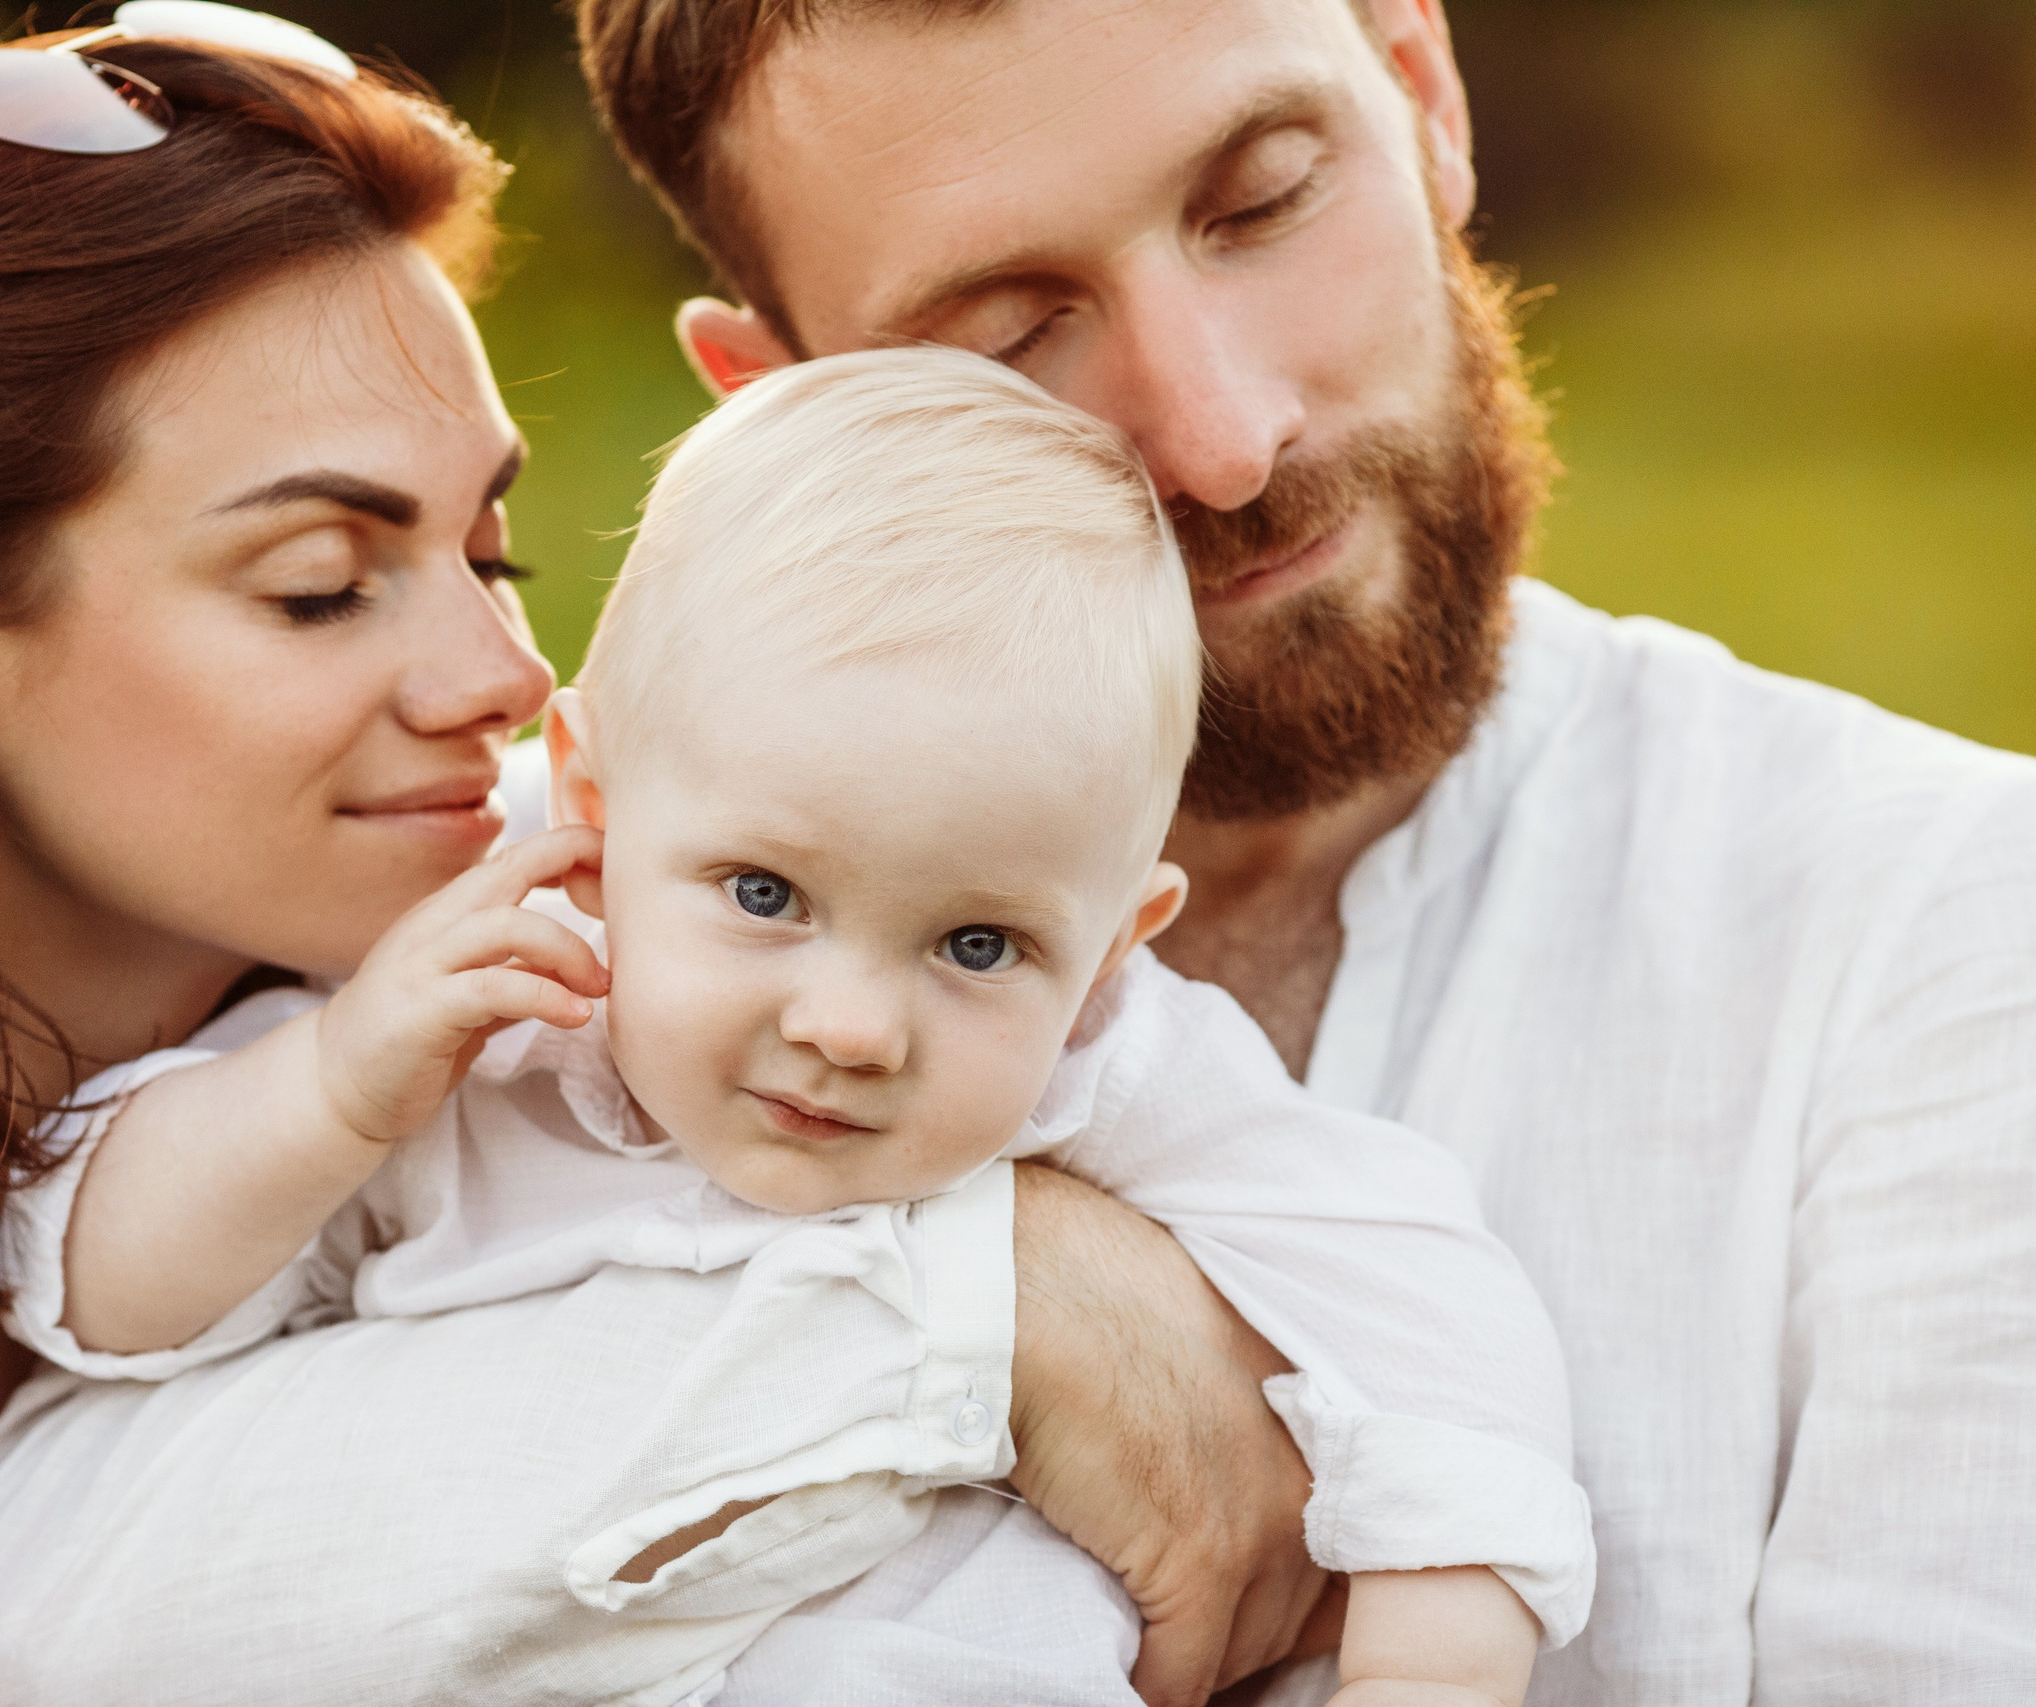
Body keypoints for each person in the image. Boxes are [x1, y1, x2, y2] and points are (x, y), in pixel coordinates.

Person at [0, 10, 1358, 1703]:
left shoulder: (564, 1078)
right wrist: (969, 1316)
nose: (505, 675)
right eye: (319, 586)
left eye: (491, 553)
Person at [569, 0, 2036, 1701]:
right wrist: (980, 1304)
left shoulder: (1952, 932)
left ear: (1422, 91)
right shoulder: (491, 924)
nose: (1222, 435)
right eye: (1013, 330)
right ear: (786, 410)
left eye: (1263, 201)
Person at [0, 348, 1592, 1707]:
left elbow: (1419, 1287)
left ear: (1109, 954)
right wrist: (336, 1089)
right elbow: (94, 1288)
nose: (855, 1024)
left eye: (978, 942)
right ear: (590, 803)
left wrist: (1437, 1659)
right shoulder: (487, 1039)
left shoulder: (1110, 1068)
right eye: (766, 897)